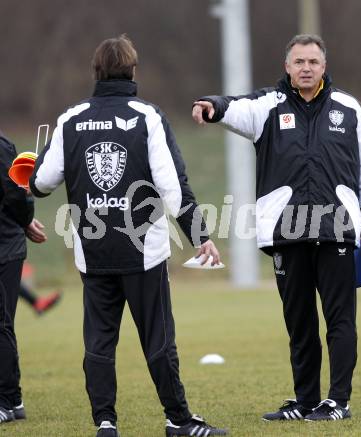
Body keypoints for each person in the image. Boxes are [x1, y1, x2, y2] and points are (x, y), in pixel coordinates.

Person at [29, 35, 227, 437]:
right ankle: (178, 420)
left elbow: (42, 183)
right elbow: (174, 188)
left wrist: (28, 173)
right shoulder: (147, 116)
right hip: (144, 250)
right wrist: (199, 235)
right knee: (158, 338)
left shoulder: (71, 118)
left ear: (95, 73)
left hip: (92, 250)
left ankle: (105, 422)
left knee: (99, 342)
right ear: (133, 71)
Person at [192, 34, 361, 421]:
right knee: (299, 322)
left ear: (324, 66)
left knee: (340, 320)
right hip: (287, 231)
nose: (306, 68)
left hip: (336, 231)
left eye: (313, 61)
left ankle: (338, 401)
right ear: (287, 67)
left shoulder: (349, 108)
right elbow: (233, 106)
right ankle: (305, 401)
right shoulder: (268, 106)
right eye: (299, 62)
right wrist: (211, 106)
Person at [0, 130, 47, 424]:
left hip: (5, 246)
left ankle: (7, 400)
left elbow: (16, 190)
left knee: (1, 323)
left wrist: (26, 217)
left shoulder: (2, 146)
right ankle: (12, 400)